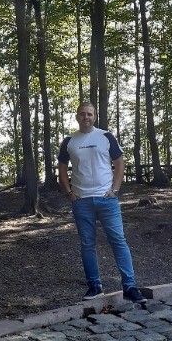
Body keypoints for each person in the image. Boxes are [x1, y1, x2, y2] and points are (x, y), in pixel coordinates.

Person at [58, 102, 144, 304]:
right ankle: (94, 286)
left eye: (89, 114)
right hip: (81, 200)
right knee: (87, 244)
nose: (86, 117)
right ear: (77, 117)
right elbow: (61, 168)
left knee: (118, 240)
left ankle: (130, 286)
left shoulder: (106, 137)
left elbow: (119, 163)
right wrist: (69, 192)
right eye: (82, 114)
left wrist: (115, 190)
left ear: (95, 116)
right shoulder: (69, 141)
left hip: (107, 199)